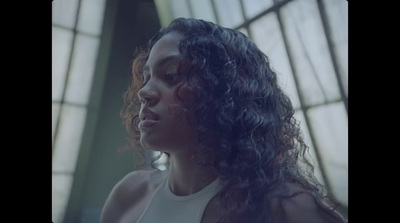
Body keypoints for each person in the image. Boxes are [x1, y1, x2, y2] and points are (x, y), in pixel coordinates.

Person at [100, 18, 347, 223]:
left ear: (224, 94)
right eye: (146, 78)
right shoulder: (129, 196)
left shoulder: (286, 210)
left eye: (171, 75)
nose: (144, 92)